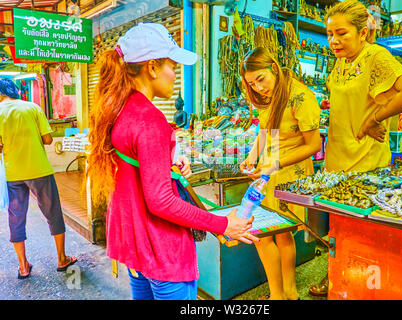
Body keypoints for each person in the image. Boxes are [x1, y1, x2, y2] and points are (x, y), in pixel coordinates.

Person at [86, 22, 259, 300]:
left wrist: (166, 169)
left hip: (134, 245)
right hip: (162, 251)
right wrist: (223, 224)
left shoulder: (119, 108)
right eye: (173, 67)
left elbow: (135, 169)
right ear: (152, 67)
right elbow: (161, 201)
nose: (175, 76)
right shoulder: (150, 119)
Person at [309, 0, 402, 297]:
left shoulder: (375, 56)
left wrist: (373, 118)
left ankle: (359, 285)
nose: (333, 40)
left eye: (342, 33)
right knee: (338, 230)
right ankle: (337, 276)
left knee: (362, 234)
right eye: (330, 33)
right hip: (337, 157)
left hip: (365, 160)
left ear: (363, 33)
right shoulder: (341, 61)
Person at [239, 47, 322, 300]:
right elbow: (264, 132)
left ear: (274, 67)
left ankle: (278, 295)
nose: (259, 88)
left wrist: (275, 164)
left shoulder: (301, 97)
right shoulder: (271, 96)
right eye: (252, 84)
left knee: (265, 235)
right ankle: (289, 293)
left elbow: (313, 145)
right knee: (279, 235)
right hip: (269, 172)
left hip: (288, 175)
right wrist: (251, 158)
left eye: (261, 79)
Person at [0, 78, 77, 279]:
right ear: (16, 91)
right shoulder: (33, 108)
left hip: (13, 173)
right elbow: (48, 139)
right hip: (40, 170)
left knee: (16, 217)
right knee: (53, 213)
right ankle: (62, 259)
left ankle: (23, 266)